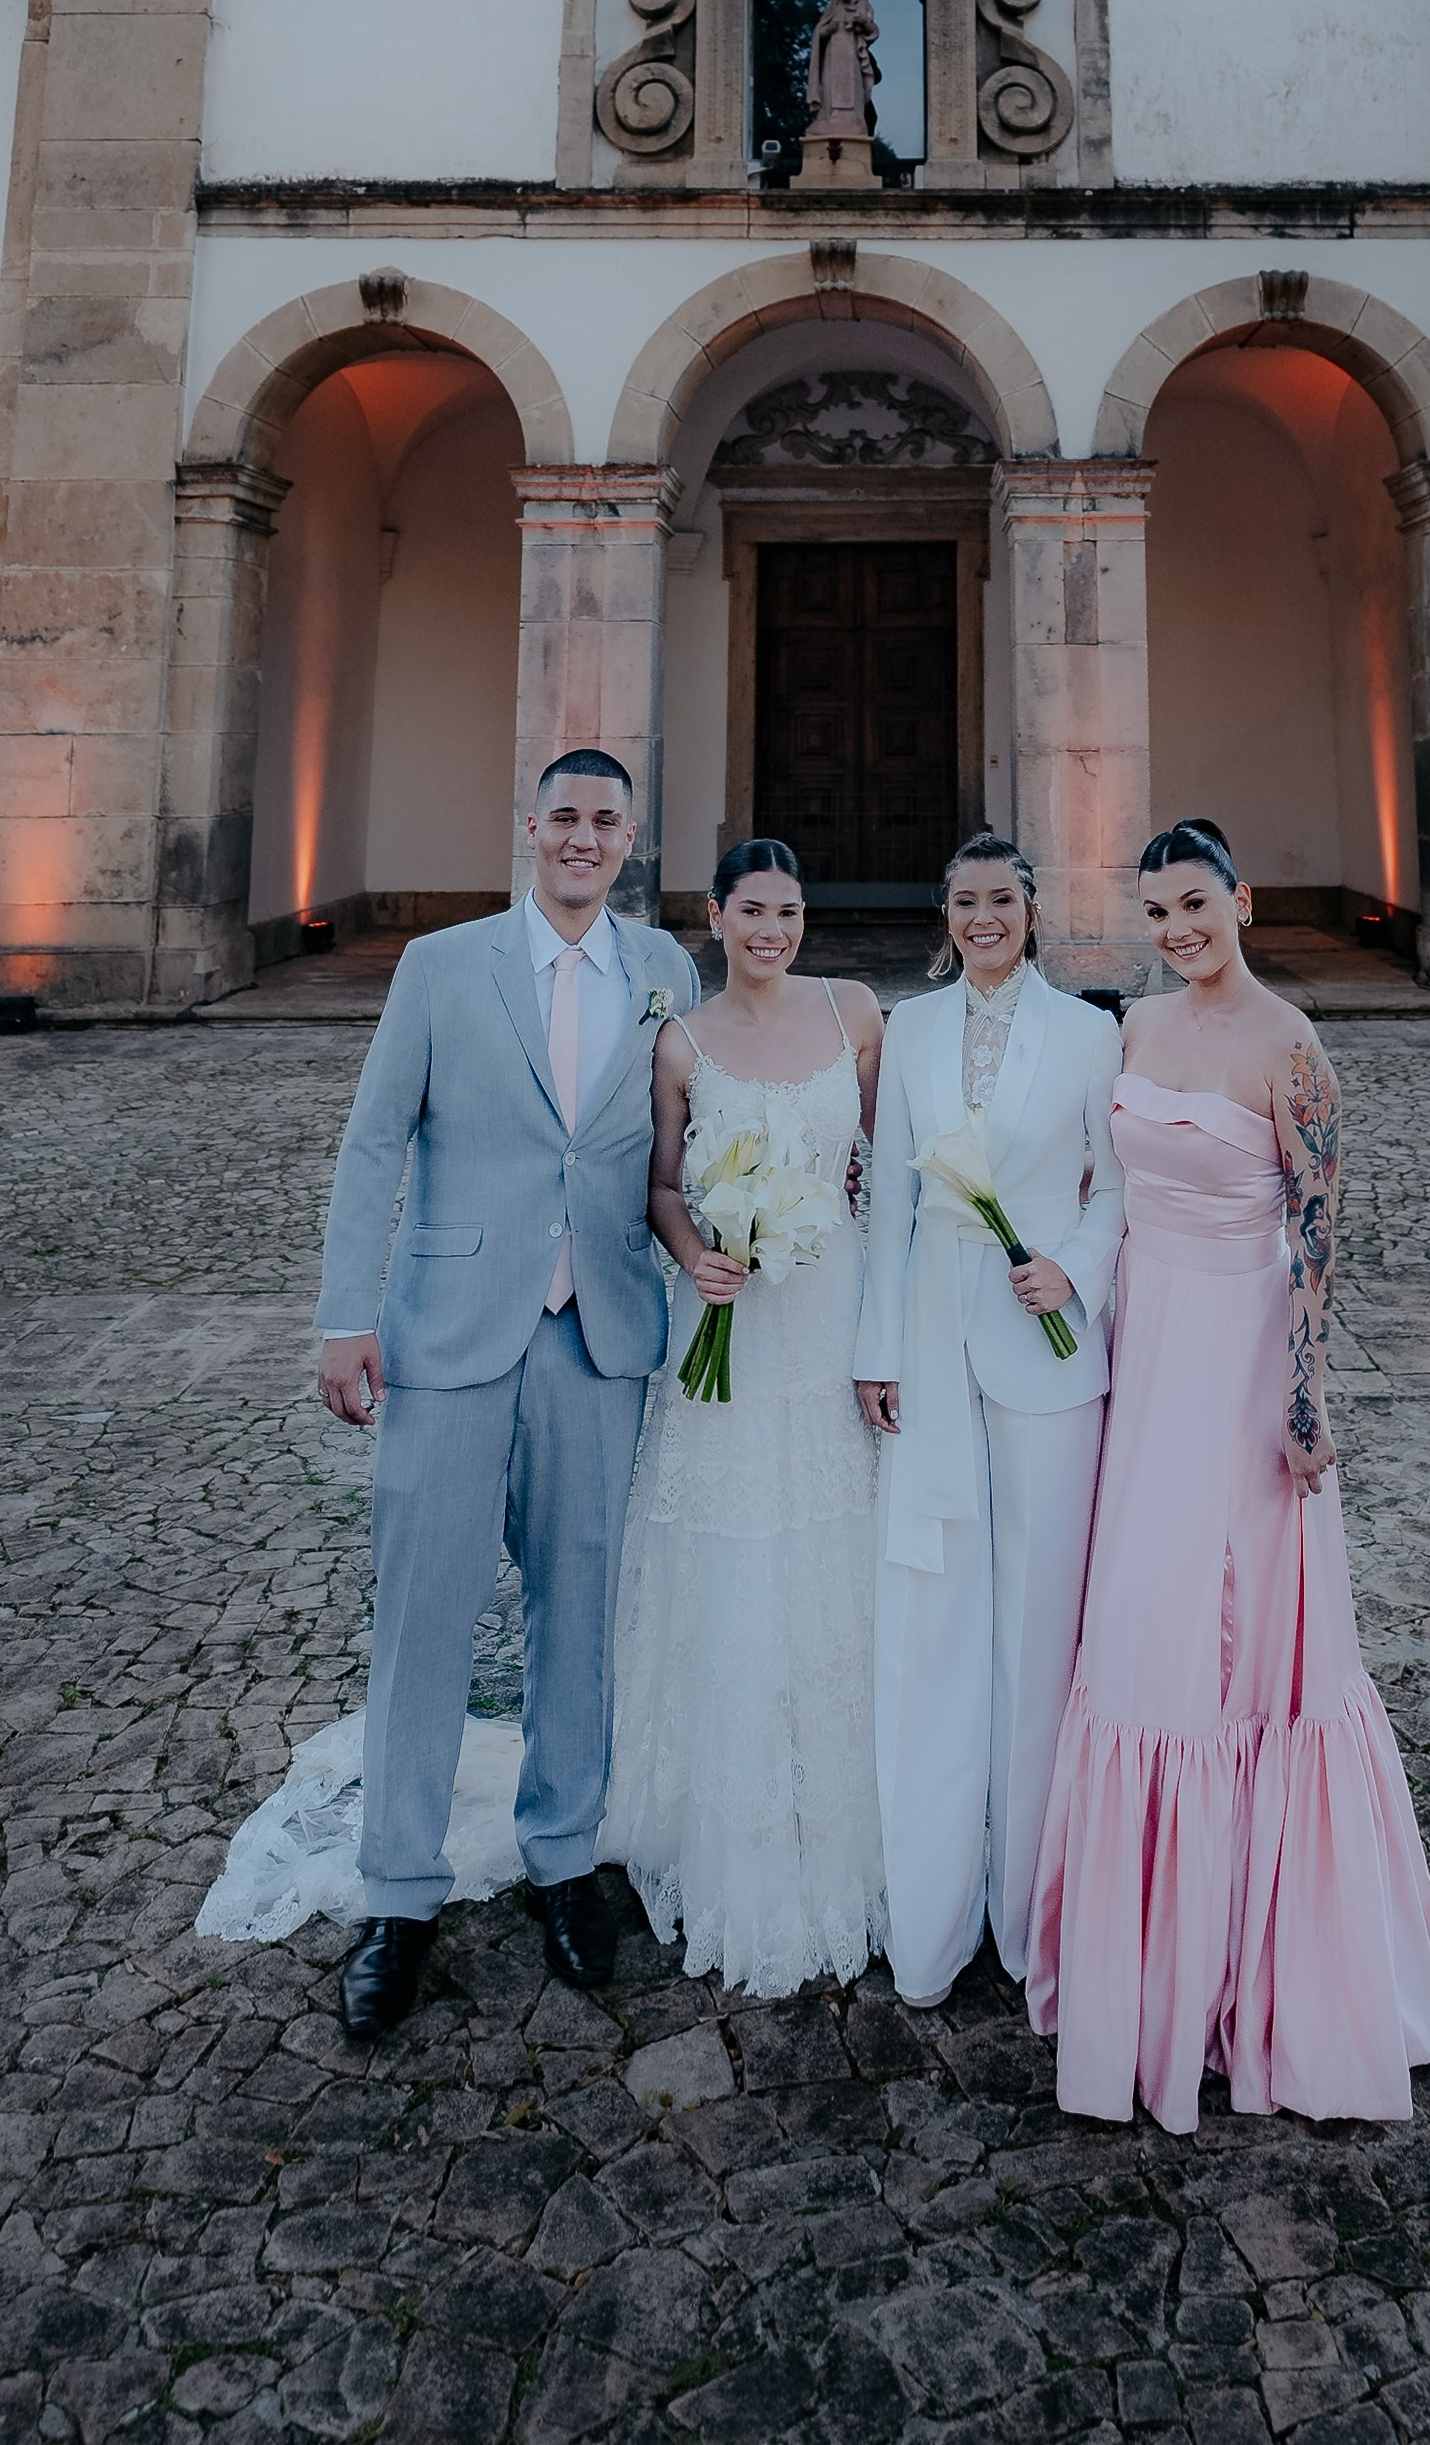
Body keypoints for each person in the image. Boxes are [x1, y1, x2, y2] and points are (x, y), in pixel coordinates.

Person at [1025, 817, 1430, 2132]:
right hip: (1144, 1343)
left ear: (1241, 899)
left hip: (1241, 1350)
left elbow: (1318, 1229)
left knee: (1238, 1632)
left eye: (1195, 904)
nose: (1176, 930)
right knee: (1137, 1621)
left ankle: (1255, 1961)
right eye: (1156, 910)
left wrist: (1305, 1395)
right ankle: (1146, 1958)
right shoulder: (1133, 1030)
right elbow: (1094, 1178)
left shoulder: (1290, 1045)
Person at [312, 751, 701, 2036]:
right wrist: (346, 1317)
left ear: (628, 838)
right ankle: (396, 1891)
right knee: (424, 1607)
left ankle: (562, 1853)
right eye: (564, 816)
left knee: (578, 1605)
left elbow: (692, 1136)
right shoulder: (442, 966)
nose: (583, 837)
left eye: (605, 821)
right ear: (530, 825)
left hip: (600, 1331)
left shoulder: (665, 969)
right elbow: (375, 1138)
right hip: (449, 1329)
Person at [602, 841, 889, 1995]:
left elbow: (886, 1166)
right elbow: (661, 1184)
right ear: (714, 915)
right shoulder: (681, 1040)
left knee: (836, 1545)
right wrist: (694, 1253)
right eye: (751, 910)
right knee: (731, 1558)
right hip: (725, 1319)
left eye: (788, 910)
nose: (771, 930)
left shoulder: (855, 1012)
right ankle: (730, 1817)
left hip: (829, 1314)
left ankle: (847, 1807)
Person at [854, 835, 1123, 2007]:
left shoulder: (1090, 1033)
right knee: (932, 1616)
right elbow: (889, 1204)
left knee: (1034, 1629)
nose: (982, 917)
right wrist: (874, 1348)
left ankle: (1029, 1912)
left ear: (1031, 908)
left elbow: (1117, 1183)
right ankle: (930, 1910)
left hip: (1042, 1346)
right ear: (944, 911)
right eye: (963, 900)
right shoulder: (909, 1030)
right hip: (926, 1342)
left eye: (1001, 899)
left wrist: (1074, 1269)